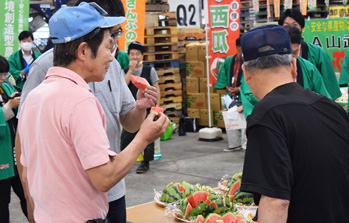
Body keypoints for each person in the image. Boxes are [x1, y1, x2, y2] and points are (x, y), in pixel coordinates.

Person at [16, 3, 170, 222]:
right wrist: (144, 137)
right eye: (108, 46)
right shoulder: (80, 100)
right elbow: (104, 177)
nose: (111, 56)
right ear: (83, 51)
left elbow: (27, 166)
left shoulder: (35, 96)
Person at [240, 24, 349, 222]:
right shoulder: (331, 108)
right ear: (293, 65)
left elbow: (276, 201)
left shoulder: (265, 117)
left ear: (246, 73)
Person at [239, 25, 331, 120]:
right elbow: (250, 108)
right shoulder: (253, 74)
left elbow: (324, 101)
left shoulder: (308, 68)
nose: (292, 57)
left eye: (295, 52)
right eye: (289, 53)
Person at [278, 8, 342, 100]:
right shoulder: (273, 58)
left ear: (302, 28)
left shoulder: (316, 55)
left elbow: (329, 87)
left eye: (294, 25)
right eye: (286, 26)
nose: (291, 29)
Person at [121, 41, 161, 173]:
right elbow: (122, 86)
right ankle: (123, 160)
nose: (135, 57)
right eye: (132, 54)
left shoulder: (149, 70)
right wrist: (131, 70)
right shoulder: (125, 70)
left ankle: (146, 162)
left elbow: (156, 88)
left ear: (142, 55)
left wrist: (157, 106)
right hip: (130, 108)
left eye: (137, 54)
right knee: (127, 135)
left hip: (148, 108)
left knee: (148, 134)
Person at [0, 56, 27, 222]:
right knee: (2, 204)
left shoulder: (6, 88)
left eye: (4, 74)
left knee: (27, 195)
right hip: (2, 159)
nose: (2, 78)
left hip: (14, 155)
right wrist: (9, 107)